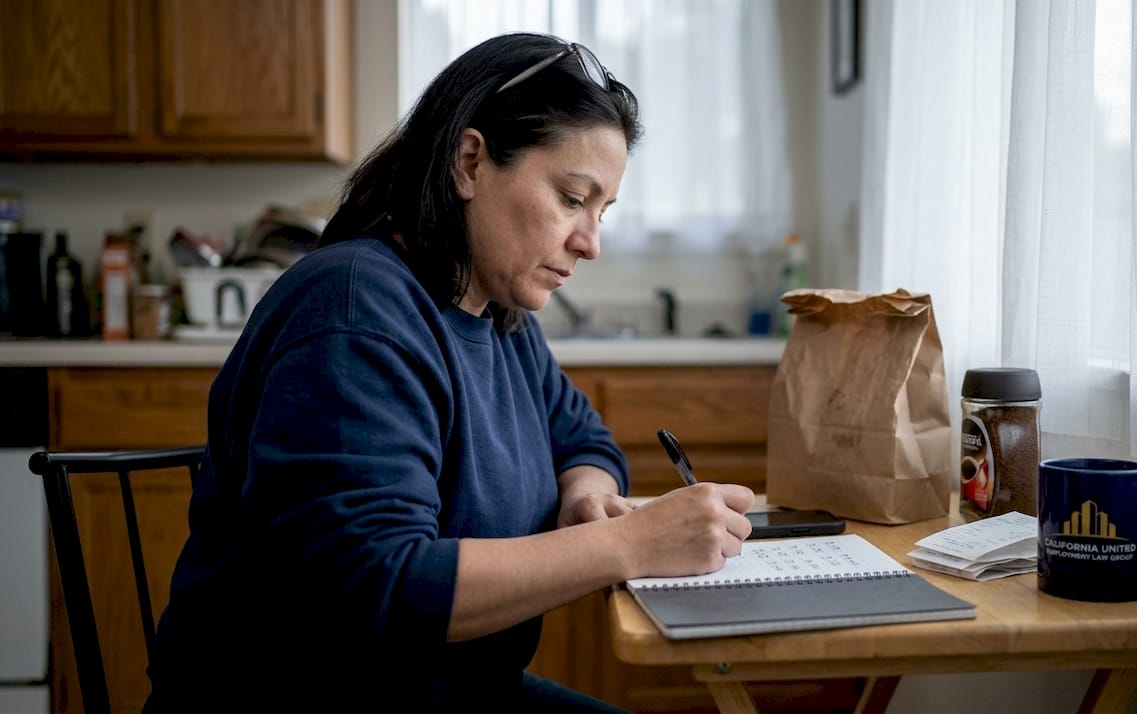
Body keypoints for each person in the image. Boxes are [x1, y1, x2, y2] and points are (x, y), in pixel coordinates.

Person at [143, 32, 755, 712]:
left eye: (602, 212)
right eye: (572, 199)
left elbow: (582, 439)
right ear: (470, 162)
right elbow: (378, 585)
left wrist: (587, 496)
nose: (591, 242)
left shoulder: (497, 313)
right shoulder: (353, 314)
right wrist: (625, 543)